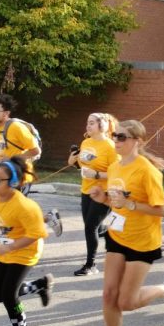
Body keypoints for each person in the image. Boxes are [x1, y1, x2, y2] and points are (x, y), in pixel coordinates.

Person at [88, 119, 164, 326]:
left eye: (121, 137)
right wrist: (105, 198)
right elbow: (118, 200)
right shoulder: (114, 166)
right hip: (117, 235)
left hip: (143, 241)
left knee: (127, 302)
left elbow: (162, 210)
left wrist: (131, 206)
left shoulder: (147, 171)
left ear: (137, 141)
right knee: (109, 295)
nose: (116, 141)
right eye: (115, 136)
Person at [0, 159, 53, 326]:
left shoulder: (26, 206)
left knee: (8, 295)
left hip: (26, 253)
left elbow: (38, 233)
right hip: (5, 251)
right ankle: (39, 285)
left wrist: (12, 246)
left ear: (13, 181)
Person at [0, 94, 61, 243]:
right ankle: (2, 245)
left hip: (20, 176)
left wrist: (12, 159)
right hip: (2, 177)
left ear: (6, 113)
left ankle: (6, 246)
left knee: (14, 211)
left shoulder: (16, 128)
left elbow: (36, 151)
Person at [68, 113, 117, 276]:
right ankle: (110, 233)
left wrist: (96, 175)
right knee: (92, 226)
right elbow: (83, 165)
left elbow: (117, 173)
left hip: (104, 193)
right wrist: (72, 161)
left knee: (90, 227)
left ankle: (91, 265)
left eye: (91, 123)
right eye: (87, 123)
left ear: (101, 126)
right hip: (86, 190)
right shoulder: (86, 142)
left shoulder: (110, 146)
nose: (88, 126)